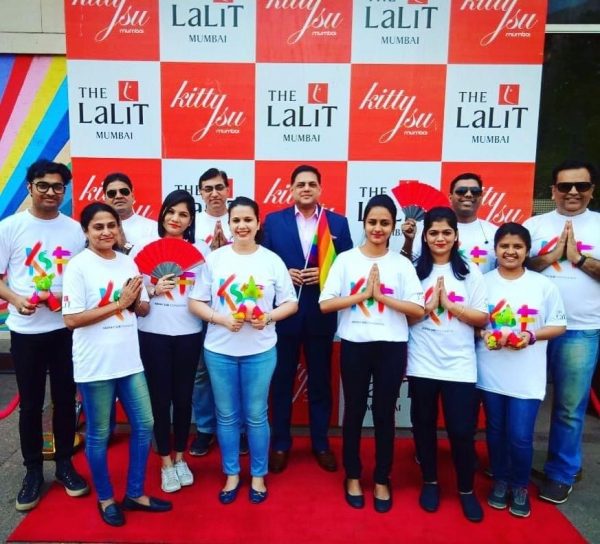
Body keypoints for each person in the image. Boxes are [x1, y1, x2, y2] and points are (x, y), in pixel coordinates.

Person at [62, 202, 171, 526]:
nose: (107, 231)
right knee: (98, 434)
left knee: (145, 425)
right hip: (95, 365)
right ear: (86, 231)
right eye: (98, 227)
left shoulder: (128, 262)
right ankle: (106, 498)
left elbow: (142, 309)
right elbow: (71, 319)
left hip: (129, 361)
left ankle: (135, 493)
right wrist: (118, 303)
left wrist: (137, 301)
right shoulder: (78, 266)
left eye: (112, 225)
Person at [189, 196, 298, 504]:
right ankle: (232, 473)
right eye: (236, 220)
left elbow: (291, 303)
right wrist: (221, 319)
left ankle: (259, 475)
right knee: (226, 416)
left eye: (248, 219)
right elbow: (195, 302)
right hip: (219, 350)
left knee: (256, 415)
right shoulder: (215, 259)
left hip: (260, 351)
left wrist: (268, 317)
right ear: (228, 224)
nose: (242, 226)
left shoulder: (271, 260)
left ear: (258, 223)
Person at [319, 195, 424, 513]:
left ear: (393, 227)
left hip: (391, 347)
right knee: (353, 411)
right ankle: (352, 475)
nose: (378, 228)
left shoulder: (402, 264)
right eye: (372, 222)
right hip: (355, 344)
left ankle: (381, 477)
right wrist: (363, 295)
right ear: (363, 223)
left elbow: (417, 309)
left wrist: (381, 297)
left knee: (384, 414)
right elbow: (326, 304)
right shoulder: (346, 260)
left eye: (384, 223)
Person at [0, 159, 89, 511]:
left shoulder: (74, 230)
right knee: (31, 405)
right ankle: (33, 471)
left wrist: (69, 301)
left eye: (57, 187)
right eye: (43, 185)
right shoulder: (10, 227)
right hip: (26, 332)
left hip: (66, 330)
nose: (51, 192)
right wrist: (16, 299)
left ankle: (65, 464)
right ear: (30, 187)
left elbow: (83, 277)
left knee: (66, 400)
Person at [262, 164, 353, 474]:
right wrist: (283, 274)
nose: (306, 188)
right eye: (300, 184)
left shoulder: (336, 223)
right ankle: (280, 444)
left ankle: (321, 443)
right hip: (284, 316)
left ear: (320, 189)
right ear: (290, 189)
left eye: (311, 184)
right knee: (281, 382)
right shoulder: (274, 221)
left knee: (320, 383)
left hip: (320, 315)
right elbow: (263, 265)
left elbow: (347, 267)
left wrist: (324, 275)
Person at [523, 159, 600, 504]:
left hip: (580, 329)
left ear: (591, 191)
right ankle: (515, 462)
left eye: (581, 186)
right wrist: (553, 255)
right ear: (553, 190)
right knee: (524, 399)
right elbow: (517, 265)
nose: (572, 192)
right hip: (533, 330)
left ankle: (561, 472)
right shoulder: (535, 225)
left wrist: (578, 259)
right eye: (565, 186)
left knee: (569, 406)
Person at [477, 223, 566, 518]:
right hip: (491, 371)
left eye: (517, 247)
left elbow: (558, 325)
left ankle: (519, 486)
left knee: (520, 435)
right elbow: (474, 322)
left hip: (527, 375)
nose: (510, 252)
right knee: (495, 431)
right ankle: (500, 480)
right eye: (504, 246)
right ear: (495, 250)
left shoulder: (543, 285)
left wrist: (529, 336)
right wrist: (486, 335)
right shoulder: (482, 283)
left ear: (527, 251)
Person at [407, 207, 489, 522]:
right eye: (433, 233)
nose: (439, 238)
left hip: (460, 364)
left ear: (455, 237)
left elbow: (482, 317)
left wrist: (450, 306)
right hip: (422, 362)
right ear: (425, 237)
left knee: (461, 430)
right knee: (423, 425)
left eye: (446, 232)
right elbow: (404, 318)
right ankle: (430, 482)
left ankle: (466, 489)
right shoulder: (414, 271)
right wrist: (429, 307)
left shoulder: (470, 272)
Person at [134, 190, 209, 493]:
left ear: (191, 220)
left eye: (183, 214)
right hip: (152, 332)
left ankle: (180, 457)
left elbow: (205, 294)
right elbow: (131, 294)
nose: (176, 219)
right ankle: (165, 462)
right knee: (159, 399)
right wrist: (153, 289)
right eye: (171, 211)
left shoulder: (201, 251)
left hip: (189, 332)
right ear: (162, 213)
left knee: (183, 397)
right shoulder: (142, 247)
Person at [189, 168, 248, 458]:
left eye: (219, 187)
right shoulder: (192, 222)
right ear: (200, 192)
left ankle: (242, 430)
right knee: (201, 374)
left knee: (240, 372)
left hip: (238, 308)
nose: (214, 193)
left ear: (228, 189)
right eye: (208, 188)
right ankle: (205, 429)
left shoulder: (239, 218)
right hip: (200, 308)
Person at [402, 173, 497, 273]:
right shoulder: (430, 230)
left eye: (475, 191)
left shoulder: (494, 232)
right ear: (450, 197)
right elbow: (405, 267)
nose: (468, 194)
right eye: (461, 191)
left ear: (481, 197)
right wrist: (408, 241)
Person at [103, 172, 156, 254]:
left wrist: (125, 244)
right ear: (105, 199)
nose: (118, 196)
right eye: (112, 193)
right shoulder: (96, 229)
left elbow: (151, 259)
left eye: (124, 191)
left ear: (132, 196)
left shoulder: (152, 228)